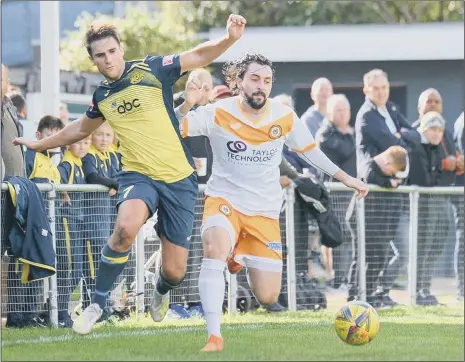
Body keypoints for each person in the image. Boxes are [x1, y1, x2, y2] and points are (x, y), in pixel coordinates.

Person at [13, 14, 247, 335]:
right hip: (138, 174)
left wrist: (229, 38)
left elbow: (198, 55)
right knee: (124, 229)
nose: (107, 59)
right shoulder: (103, 97)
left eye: (111, 51)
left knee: (175, 271)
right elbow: (79, 129)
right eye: (100, 55)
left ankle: (161, 290)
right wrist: (40, 143)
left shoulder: (152, 69)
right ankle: (96, 303)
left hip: (179, 178)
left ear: (121, 49)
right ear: (93, 60)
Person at [175, 52, 368, 352]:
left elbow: (311, 152)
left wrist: (347, 178)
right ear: (239, 82)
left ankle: (236, 254)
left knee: (267, 296)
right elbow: (176, 128)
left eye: (266, 81)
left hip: (264, 212)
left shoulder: (284, 116)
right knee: (212, 250)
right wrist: (188, 101)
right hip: (224, 199)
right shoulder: (218, 111)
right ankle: (214, 337)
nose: (260, 86)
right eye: (254, 79)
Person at [56, 136, 92, 327]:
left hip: (79, 223)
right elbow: (57, 180)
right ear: (69, 143)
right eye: (79, 142)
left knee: (77, 271)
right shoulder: (67, 164)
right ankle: (59, 313)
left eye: (86, 143)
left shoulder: (80, 162)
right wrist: (63, 192)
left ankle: (61, 310)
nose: (83, 146)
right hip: (68, 223)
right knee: (68, 269)